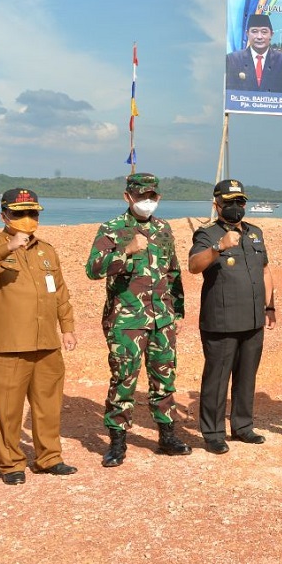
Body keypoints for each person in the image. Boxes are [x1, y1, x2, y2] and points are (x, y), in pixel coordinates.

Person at [0, 189, 79, 485]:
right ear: (4, 216)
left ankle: (49, 458)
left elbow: (60, 291)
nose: (27, 218)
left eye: (32, 213)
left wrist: (67, 327)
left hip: (46, 343)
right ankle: (11, 464)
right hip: (8, 344)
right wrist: (8, 247)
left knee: (48, 406)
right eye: (19, 213)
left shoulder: (46, 250)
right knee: (7, 409)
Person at [86, 172, 191, 466]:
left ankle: (167, 437)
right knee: (124, 380)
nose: (147, 201)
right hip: (126, 321)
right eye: (141, 196)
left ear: (158, 197)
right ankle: (117, 443)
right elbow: (93, 269)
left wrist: (178, 311)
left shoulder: (163, 228)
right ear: (127, 197)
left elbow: (173, 272)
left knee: (164, 379)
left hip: (162, 320)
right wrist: (126, 251)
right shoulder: (112, 229)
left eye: (151, 196)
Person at [188, 179, 275, 455]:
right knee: (217, 379)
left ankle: (243, 426)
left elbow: (264, 270)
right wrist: (219, 247)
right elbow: (193, 265)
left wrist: (270, 307)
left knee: (247, 377)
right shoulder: (207, 234)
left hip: (253, 319)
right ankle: (213, 433)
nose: (236, 206)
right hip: (222, 321)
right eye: (229, 202)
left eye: (240, 201)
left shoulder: (255, 233)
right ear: (217, 205)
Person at [226, 13, 282, 93]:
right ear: (247, 34)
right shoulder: (232, 60)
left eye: (264, 32)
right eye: (254, 31)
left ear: (271, 34)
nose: (259, 37)